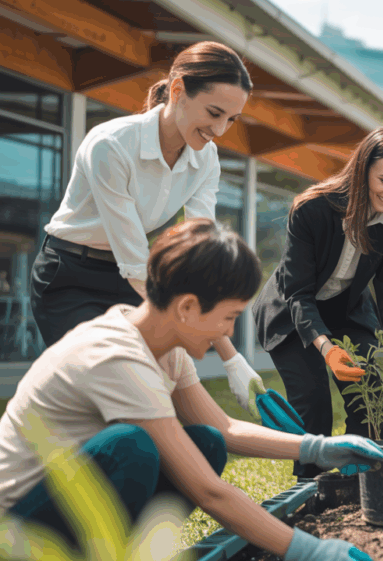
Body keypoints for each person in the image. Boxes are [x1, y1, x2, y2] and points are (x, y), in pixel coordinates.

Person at [1, 219, 383, 561]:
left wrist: (317, 447)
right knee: (132, 447)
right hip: (16, 527)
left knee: (207, 442)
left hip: (58, 500)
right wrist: (310, 551)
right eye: (229, 317)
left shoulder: (164, 346)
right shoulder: (117, 356)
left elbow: (225, 429)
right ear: (187, 308)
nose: (230, 333)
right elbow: (207, 492)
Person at [29, 41, 267, 419]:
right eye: (214, 112)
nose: (220, 130)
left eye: (232, 120)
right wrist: (229, 354)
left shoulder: (205, 159)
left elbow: (201, 252)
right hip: (70, 276)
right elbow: (136, 261)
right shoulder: (110, 146)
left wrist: (234, 362)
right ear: (178, 90)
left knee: (160, 389)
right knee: (109, 393)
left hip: (130, 275)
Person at [252, 126, 383, 480]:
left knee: (373, 395)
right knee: (314, 401)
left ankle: (362, 481)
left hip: (345, 313)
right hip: (291, 312)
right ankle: (311, 487)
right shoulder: (312, 210)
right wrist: (327, 349)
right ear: (363, 168)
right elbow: (298, 293)